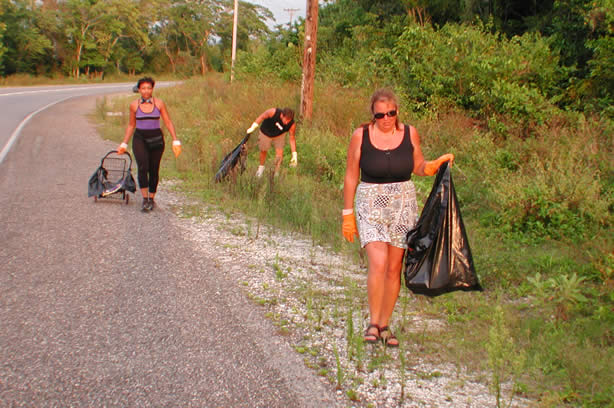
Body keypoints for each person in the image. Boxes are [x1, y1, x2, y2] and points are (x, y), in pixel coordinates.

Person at [342, 88, 454, 347]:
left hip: (403, 204)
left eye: (390, 113)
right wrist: (347, 214)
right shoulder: (361, 136)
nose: (386, 118)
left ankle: (384, 325)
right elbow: (350, 175)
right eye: (380, 114)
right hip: (370, 203)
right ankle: (372, 322)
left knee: (394, 268)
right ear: (373, 114)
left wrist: (434, 165)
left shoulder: (409, 133)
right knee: (378, 263)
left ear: (397, 112)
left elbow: (418, 165)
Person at [117, 77, 181, 212]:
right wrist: (124, 143)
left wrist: (175, 139)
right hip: (140, 138)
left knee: (153, 169)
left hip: (156, 139)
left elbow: (168, 122)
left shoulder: (159, 103)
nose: (146, 91)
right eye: (143, 88)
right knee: (142, 167)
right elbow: (131, 125)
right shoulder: (134, 105)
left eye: (149, 88)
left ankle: (152, 198)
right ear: (139, 89)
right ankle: (145, 198)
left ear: (152, 89)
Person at [246, 107, 297, 177]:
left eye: (289, 120)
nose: (287, 122)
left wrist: (294, 155)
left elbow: (292, 139)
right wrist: (253, 126)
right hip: (266, 132)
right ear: (282, 115)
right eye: (286, 119)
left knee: (279, 153)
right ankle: (261, 168)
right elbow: (261, 117)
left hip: (279, 135)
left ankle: (276, 172)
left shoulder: (291, 125)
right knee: (263, 150)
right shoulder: (273, 112)